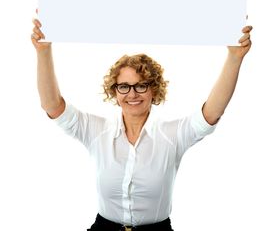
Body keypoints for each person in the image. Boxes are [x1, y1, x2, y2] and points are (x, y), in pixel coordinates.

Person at [31, 18, 253, 231]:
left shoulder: (172, 135)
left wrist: (235, 57)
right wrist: (43, 51)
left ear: (153, 89)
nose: (132, 94)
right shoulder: (96, 130)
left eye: (141, 86)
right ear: (114, 92)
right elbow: (52, 106)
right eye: (124, 87)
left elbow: (211, 112)